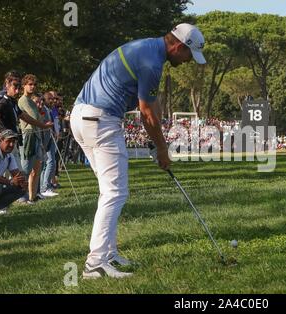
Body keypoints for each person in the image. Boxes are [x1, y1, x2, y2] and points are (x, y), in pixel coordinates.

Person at [70, 23, 206, 279]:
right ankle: (95, 263)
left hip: (82, 116)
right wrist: (163, 149)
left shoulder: (148, 48)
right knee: (115, 193)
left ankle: (108, 253)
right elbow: (146, 113)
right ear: (178, 46)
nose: (188, 61)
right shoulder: (152, 63)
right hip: (101, 120)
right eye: (189, 55)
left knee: (108, 191)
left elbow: (152, 105)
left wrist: (157, 144)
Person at [18, 74, 44, 203]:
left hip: (37, 135)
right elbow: (34, 116)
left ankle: (32, 197)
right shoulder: (23, 100)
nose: (32, 87)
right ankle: (20, 195)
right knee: (26, 168)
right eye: (30, 84)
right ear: (24, 85)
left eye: (34, 84)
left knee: (37, 169)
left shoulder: (32, 101)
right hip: (28, 136)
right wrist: (42, 122)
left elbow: (39, 118)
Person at [0, 129, 28, 215]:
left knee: (20, 189)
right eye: (8, 141)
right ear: (1, 140)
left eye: (13, 142)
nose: (11, 145)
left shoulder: (9, 156)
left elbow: (17, 174)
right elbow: (11, 181)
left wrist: (22, 182)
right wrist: (10, 182)